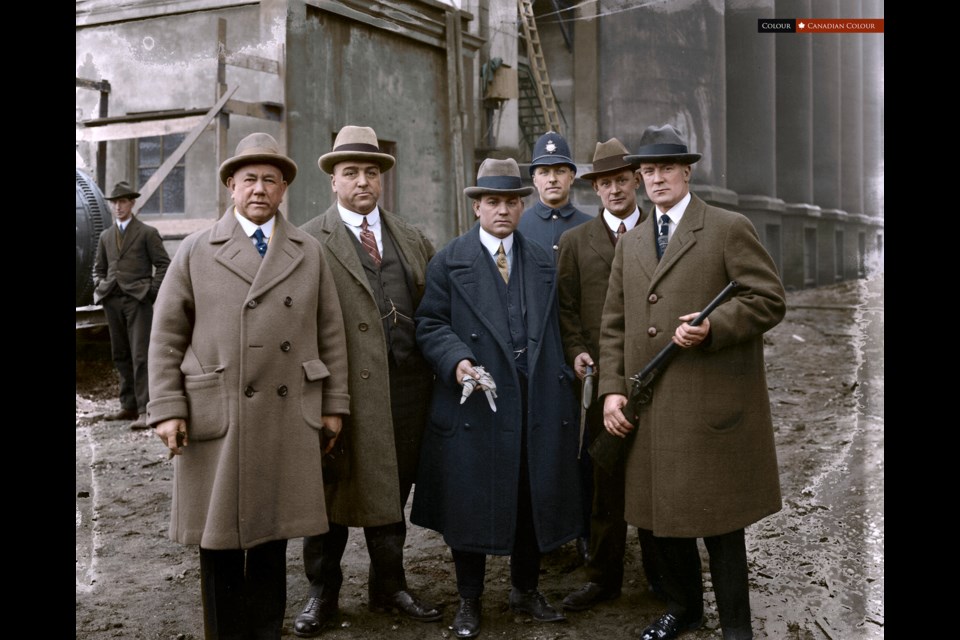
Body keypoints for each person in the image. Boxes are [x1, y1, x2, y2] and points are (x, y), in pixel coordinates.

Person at [147, 132, 350, 640]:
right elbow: (166, 334)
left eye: (270, 180)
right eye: (249, 180)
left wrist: (333, 405)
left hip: (286, 414)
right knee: (216, 543)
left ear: (284, 190)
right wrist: (168, 407)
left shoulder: (308, 251)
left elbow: (331, 333)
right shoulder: (196, 250)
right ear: (231, 187)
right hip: (217, 414)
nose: (259, 189)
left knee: (271, 539)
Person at [598, 124, 786, 640]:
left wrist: (713, 328)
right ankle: (684, 608)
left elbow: (768, 299)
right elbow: (613, 323)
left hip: (709, 406)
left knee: (721, 523)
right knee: (660, 521)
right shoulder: (632, 241)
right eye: (648, 171)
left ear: (687, 171)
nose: (656, 179)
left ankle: (736, 627)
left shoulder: (727, 227)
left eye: (666, 168)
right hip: (651, 407)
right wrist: (612, 389)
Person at [412, 157, 582, 639]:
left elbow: (564, 324)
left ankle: (525, 590)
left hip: (535, 402)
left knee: (531, 497)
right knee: (470, 503)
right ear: (477, 208)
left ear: (521, 204)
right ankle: (469, 600)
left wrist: (578, 358)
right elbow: (430, 324)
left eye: (510, 201)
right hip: (475, 401)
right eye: (492, 202)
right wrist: (458, 360)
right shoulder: (450, 259)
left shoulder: (544, 259)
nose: (502, 210)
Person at [295, 125, 440, 637]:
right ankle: (322, 593)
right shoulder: (309, 240)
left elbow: (434, 311)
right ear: (333, 181)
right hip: (342, 392)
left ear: (382, 180)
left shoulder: (411, 236)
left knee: (392, 488)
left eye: (370, 172)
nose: (362, 181)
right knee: (330, 495)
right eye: (350, 172)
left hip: (405, 390)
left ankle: (389, 586)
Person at [556, 138, 663, 612]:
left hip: (661, 376)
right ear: (594, 190)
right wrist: (578, 352)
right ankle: (602, 577)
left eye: (622, 180)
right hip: (605, 381)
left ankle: (664, 579)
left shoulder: (662, 232)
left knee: (660, 476)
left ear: (636, 181)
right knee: (604, 478)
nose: (615, 190)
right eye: (605, 183)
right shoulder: (578, 242)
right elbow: (566, 308)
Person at [93, 181, 170, 430]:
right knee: (120, 354)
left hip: (138, 301)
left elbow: (164, 264)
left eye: (123, 201)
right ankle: (127, 406)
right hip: (112, 299)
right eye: (114, 202)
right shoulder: (105, 236)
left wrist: (151, 291)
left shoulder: (147, 232)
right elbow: (98, 268)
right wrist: (100, 286)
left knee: (141, 355)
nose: (118, 206)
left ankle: (145, 409)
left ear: (132, 203)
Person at [517, 131, 591, 258]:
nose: (552, 179)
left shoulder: (590, 227)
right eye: (544, 172)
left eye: (560, 171)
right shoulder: (518, 226)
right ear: (534, 180)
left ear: (572, 177)